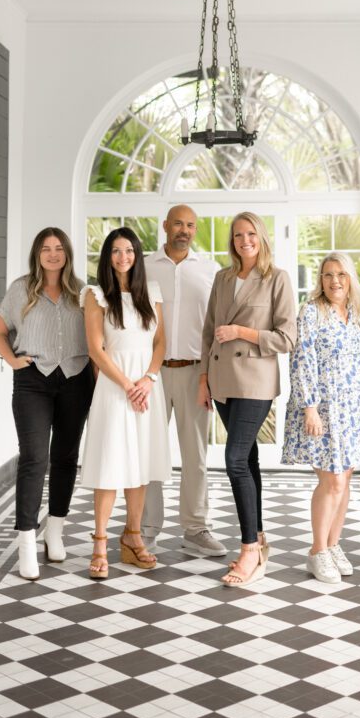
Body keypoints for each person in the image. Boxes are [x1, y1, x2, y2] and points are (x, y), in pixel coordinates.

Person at [199, 212, 296, 586]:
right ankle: (258, 538)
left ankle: (248, 549)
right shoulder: (223, 278)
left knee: (235, 459)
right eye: (238, 235)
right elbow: (209, 330)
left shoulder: (277, 279)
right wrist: (204, 379)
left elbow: (287, 338)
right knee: (249, 460)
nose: (244, 241)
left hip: (255, 380)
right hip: (222, 380)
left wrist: (243, 331)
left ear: (262, 236)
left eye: (250, 233)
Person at [0, 227, 93, 581]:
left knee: (66, 457)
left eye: (59, 248)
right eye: (46, 249)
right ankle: (26, 543)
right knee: (35, 457)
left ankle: (55, 531)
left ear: (67, 253)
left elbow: (97, 337)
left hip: (77, 378)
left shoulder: (82, 290)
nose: (53, 254)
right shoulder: (21, 288)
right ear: (37, 253)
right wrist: (13, 360)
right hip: (33, 379)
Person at [282, 253, 360, 583]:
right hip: (323, 409)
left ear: (350, 278)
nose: (334, 280)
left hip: (353, 411)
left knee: (345, 481)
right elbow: (302, 359)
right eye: (327, 275)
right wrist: (309, 407)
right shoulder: (312, 312)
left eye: (340, 274)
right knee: (332, 481)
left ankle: (334, 544)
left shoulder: (355, 315)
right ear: (320, 280)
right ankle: (317, 551)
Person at [78, 227, 170, 579]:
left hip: (147, 389)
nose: (122, 257)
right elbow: (95, 349)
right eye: (115, 251)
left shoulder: (153, 294)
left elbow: (161, 343)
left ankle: (133, 537)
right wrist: (127, 384)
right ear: (107, 256)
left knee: (141, 464)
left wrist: (148, 380)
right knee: (110, 465)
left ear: (137, 255)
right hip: (115, 390)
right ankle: (99, 542)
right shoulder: (96, 295)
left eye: (129, 250)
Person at [142, 205, 224, 557]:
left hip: (195, 372)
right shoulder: (143, 266)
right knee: (149, 454)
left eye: (190, 225)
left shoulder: (210, 271)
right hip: (151, 373)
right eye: (178, 223)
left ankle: (195, 528)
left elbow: (216, 328)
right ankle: (145, 530)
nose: (184, 230)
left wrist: (209, 376)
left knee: (196, 457)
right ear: (165, 226)